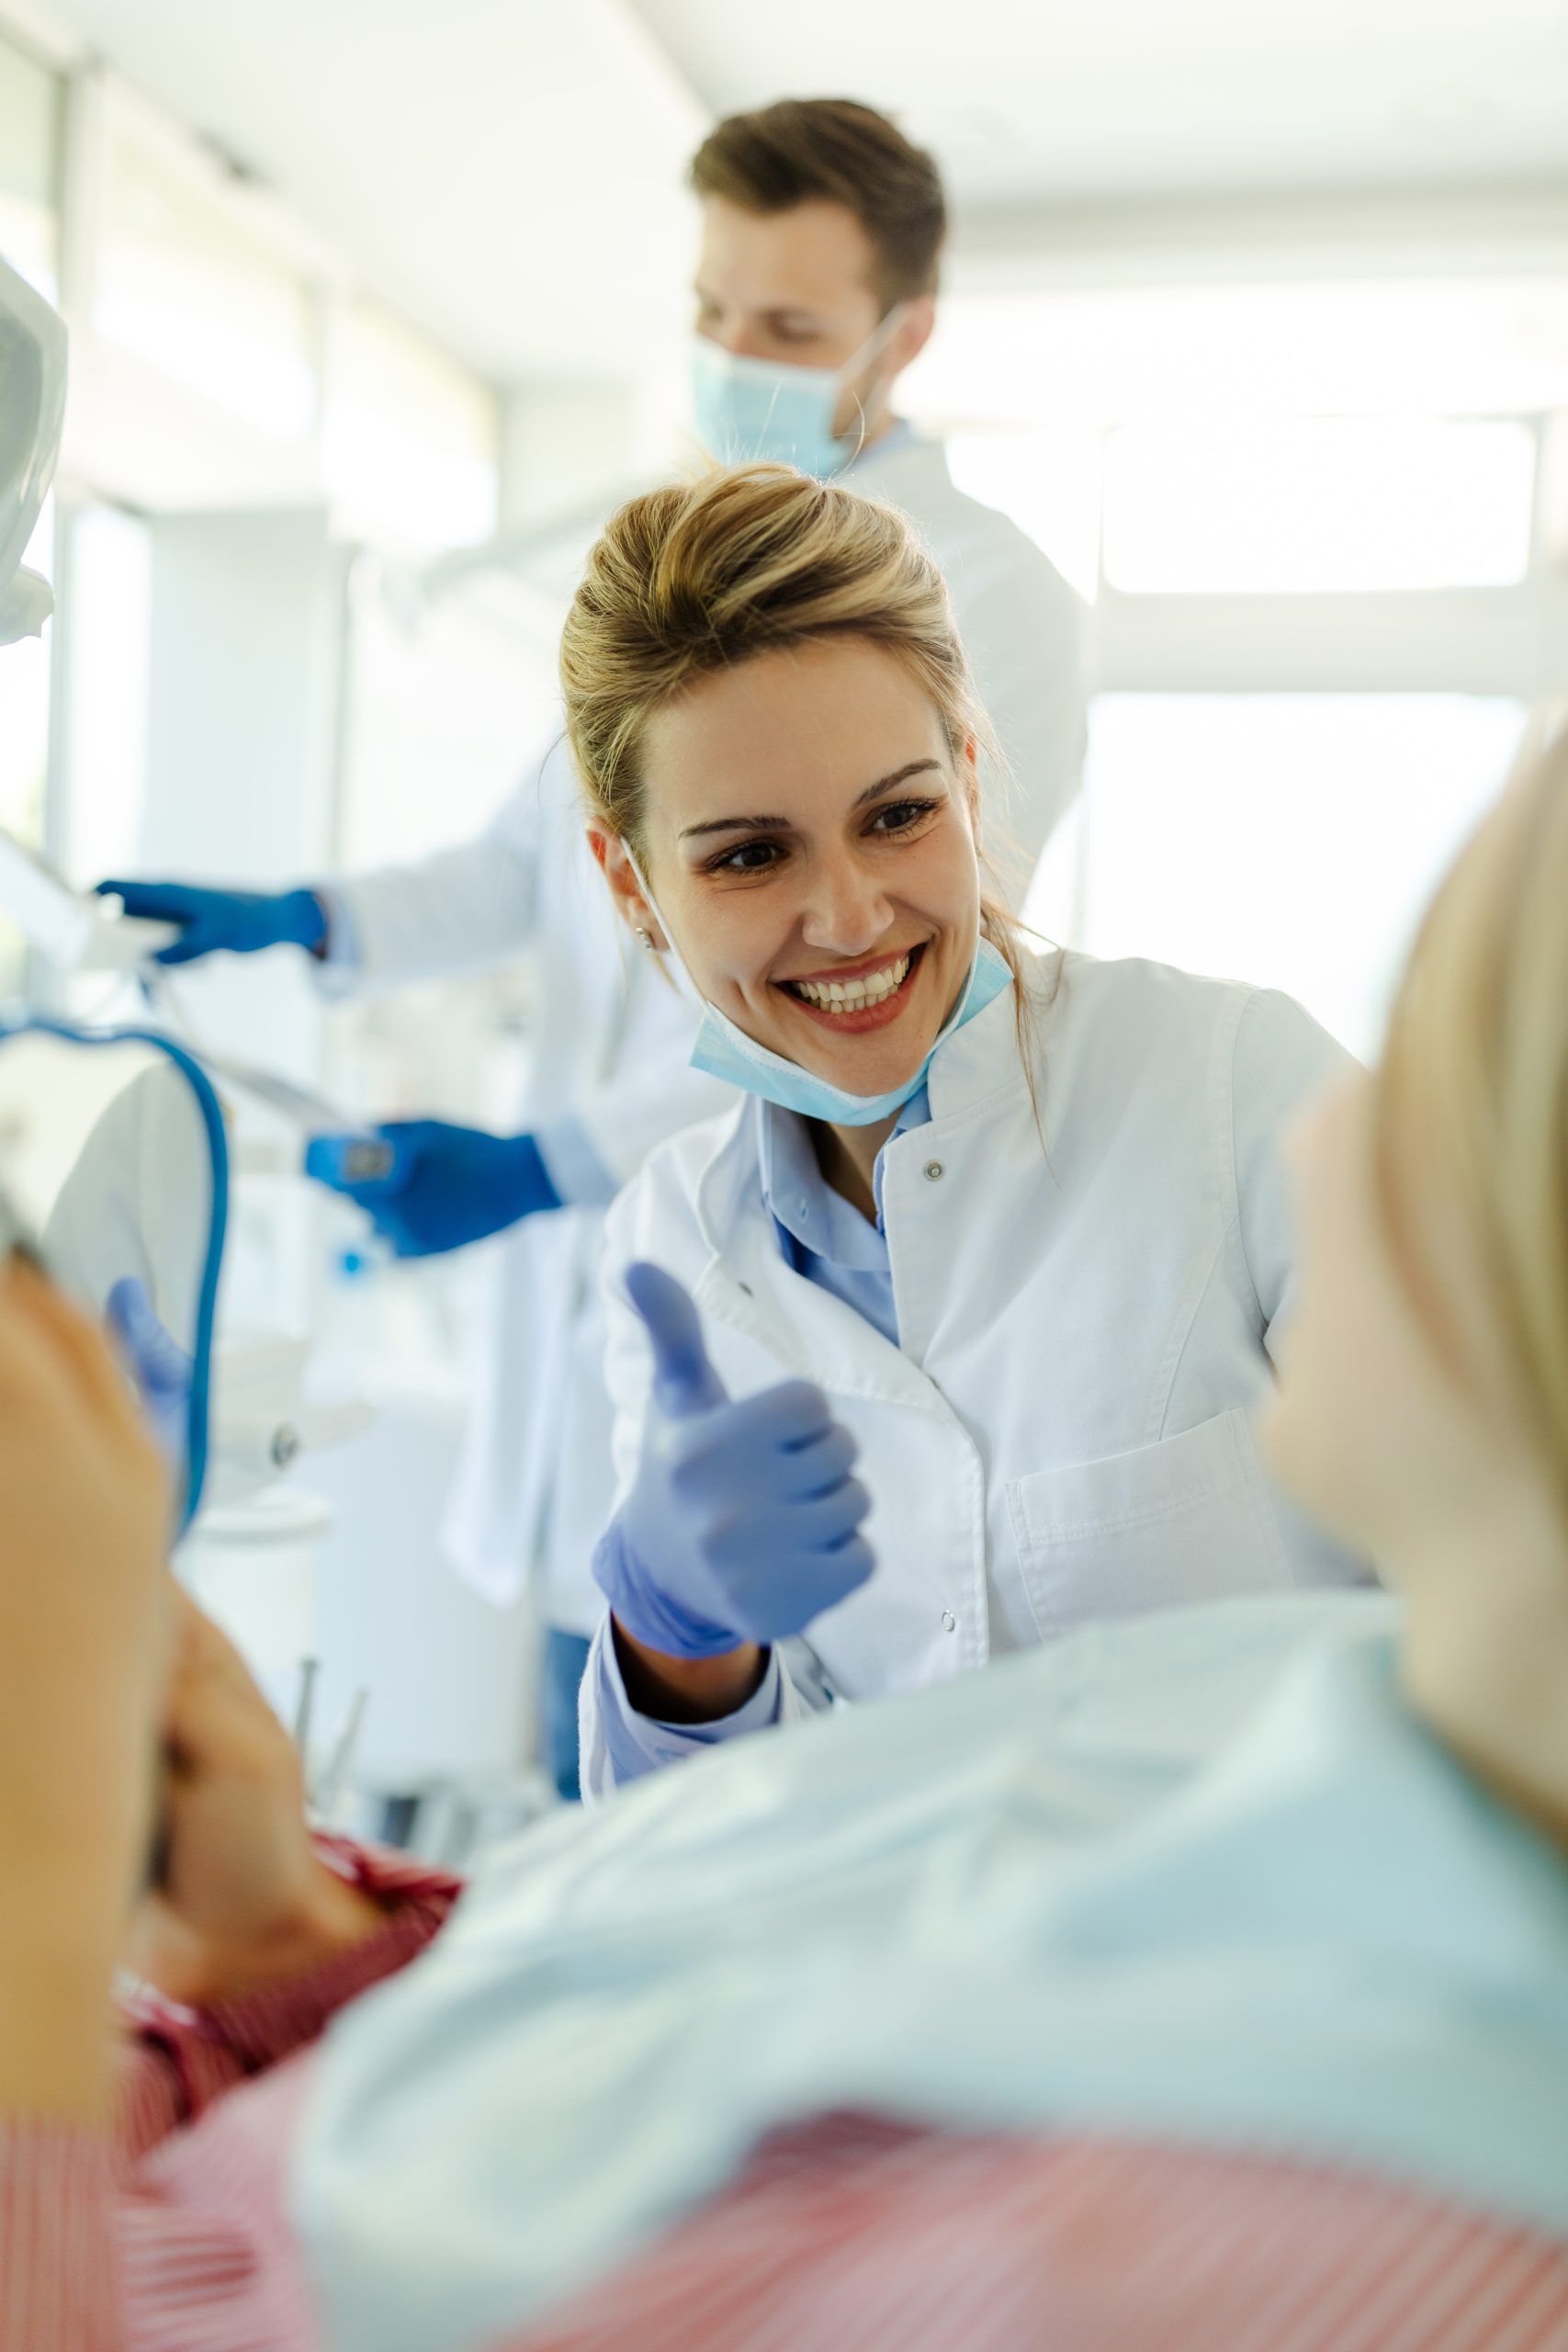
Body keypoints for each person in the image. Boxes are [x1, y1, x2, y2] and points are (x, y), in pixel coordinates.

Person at [6, 739, 1568, 2352]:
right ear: (635, 879)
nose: (1330, 1142)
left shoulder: (1302, 2229)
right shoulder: (1317, 1722)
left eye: (1424, 1092)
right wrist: (293, 1948)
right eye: (747, 855)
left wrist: (38, 1904)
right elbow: (692, 2025)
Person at [99, 98, 1089, 1802]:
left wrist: (540, 1161)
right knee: (609, 1730)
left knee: (735, 1787)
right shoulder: (675, 577)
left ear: (902, 333)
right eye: (714, 313)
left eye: (786, 329)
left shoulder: (983, 594)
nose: (734, 358)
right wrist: (303, 921)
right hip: (606, 1312)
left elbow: (878, 979)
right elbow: (527, 866)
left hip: (804, 1297)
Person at [548, 460, 1368, 1792]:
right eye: (750, 855)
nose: (853, 917)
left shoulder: (1236, 1089)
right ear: (630, 883)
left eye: (900, 815)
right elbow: (701, 1851)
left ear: (972, 781)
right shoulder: (672, 1249)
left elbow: (1514, 1581)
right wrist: (673, 1640)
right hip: (907, 1988)